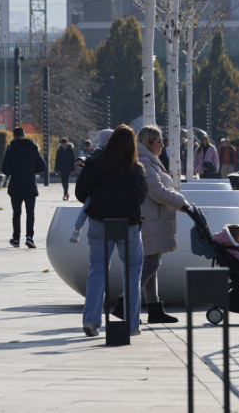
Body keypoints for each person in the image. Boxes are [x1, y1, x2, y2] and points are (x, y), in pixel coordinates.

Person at [74, 124, 147, 337]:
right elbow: (141, 197)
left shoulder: (96, 164)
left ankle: (91, 319)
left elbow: (81, 192)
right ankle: (132, 324)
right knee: (132, 273)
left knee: (97, 270)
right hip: (128, 225)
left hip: (100, 221)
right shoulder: (136, 169)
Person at [137, 125, 188, 324]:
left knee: (152, 263)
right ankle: (125, 303)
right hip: (150, 218)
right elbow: (156, 190)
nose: (162, 145)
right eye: (159, 141)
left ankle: (154, 308)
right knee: (151, 263)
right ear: (149, 143)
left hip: (154, 218)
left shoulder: (149, 159)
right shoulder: (144, 160)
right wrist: (180, 201)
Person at [1, 127, 47, 248]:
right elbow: (42, 166)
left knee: (16, 213)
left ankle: (16, 239)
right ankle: (29, 237)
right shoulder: (33, 149)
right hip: (30, 185)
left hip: (15, 185)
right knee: (30, 212)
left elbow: (6, 170)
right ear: (24, 135)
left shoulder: (11, 150)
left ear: (14, 136)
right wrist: (31, 170)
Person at [69, 129, 113, 244]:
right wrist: (80, 159)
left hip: (109, 187)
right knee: (87, 207)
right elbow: (88, 157)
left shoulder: (117, 152)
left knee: (87, 207)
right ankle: (77, 228)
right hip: (98, 188)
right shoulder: (99, 152)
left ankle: (77, 229)